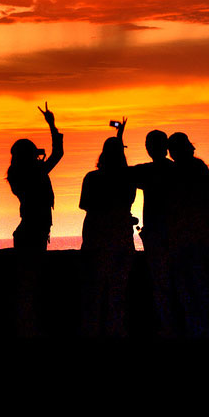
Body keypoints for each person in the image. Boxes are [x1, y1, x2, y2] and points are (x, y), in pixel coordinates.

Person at [8, 103, 63, 336]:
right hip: (33, 229)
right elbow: (57, 155)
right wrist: (51, 126)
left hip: (31, 229)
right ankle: (29, 326)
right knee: (31, 282)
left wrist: (51, 125)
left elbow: (55, 156)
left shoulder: (19, 173)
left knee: (27, 282)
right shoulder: (30, 173)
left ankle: (27, 325)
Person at [79, 119, 136, 337]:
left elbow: (85, 205)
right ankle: (116, 329)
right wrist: (120, 137)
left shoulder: (92, 178)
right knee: (117, 290)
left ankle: (93, 329)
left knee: (94, 289)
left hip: (96, 239)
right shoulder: (127, 178)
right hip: (121, 238)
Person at [129, 128, 179, 337]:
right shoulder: (176, 170)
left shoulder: (148, 171)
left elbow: (123, 172)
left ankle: (167, 325)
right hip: (173, 232)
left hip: (160, 234)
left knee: (161, 282)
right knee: (173, 281)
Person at [166, 131, 209, 337]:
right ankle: (200, 325)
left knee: (187, 281)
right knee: (197, 280)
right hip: (200, 229)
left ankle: (195, 326)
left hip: (186, 232)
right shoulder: (200, 168)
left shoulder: (179, 171)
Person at [8, 103, 64, 251]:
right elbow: (58, 153)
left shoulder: (15, 174)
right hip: (37, 226)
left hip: (30, 224)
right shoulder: (36, 172)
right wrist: (52, 125)